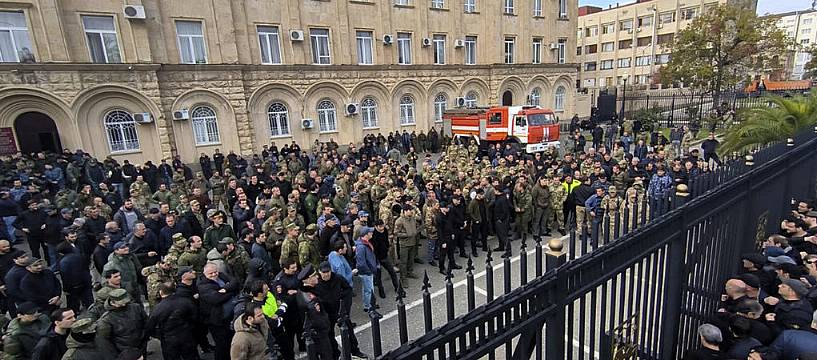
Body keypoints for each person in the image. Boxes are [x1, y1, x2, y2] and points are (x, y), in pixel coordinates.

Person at [145, 281, 200, 360]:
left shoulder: (158, 308)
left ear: (161, 292)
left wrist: (158, 335)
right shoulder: (186, 301)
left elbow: (150, 326)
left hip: (168, 339)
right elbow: (195, 316)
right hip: (186, 335)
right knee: (190, 356)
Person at [198, 262, 240, 360]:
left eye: (215, 272)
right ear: (205, 274)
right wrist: (231, 291)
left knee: (231, 341)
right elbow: (216, 299)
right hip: (217, 320)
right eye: (211, 273)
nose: (214, 275)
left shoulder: (221, 275)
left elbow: (235, 282)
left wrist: (225, 289)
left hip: (230, 317)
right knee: (222, 345)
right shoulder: (203, 286)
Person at [95, 288, 148, 357]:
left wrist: (144, 338)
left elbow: (146, 323)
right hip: (123, 353)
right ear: (112, 303)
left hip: (141, 347)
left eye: (125, 302)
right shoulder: (106, 320)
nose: (123, 305)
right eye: (121, 303)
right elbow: (104, 342)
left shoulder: (136, 308)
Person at [355, 226, 377, 312]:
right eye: (370, 232)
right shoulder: (361, 247)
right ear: (366, 234)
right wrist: (369, 271)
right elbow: (361, 263)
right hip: (367, 272)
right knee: (369, 290)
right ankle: (370, 307)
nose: (372, 233)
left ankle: (367, 304)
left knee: (367, 289)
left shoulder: (365, 244)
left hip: (368, 270)